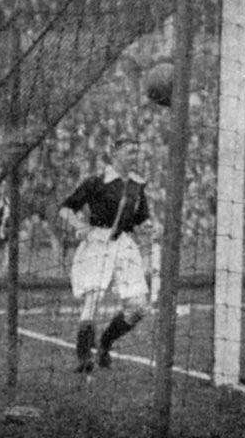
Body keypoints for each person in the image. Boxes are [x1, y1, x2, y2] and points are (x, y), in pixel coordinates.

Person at [58, 137, 151, 373]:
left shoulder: (137, 185)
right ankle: (83, 357)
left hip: (125, 243)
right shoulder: (96, 182)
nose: (134, 156)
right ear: (115, 153)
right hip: (98, 242)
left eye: (136, 152)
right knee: (93, 299)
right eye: (130, 151)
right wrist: (79, 225)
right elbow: (66, 208)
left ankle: (105, 344)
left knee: (138, 307)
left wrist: (151, 226)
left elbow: (142, 219)